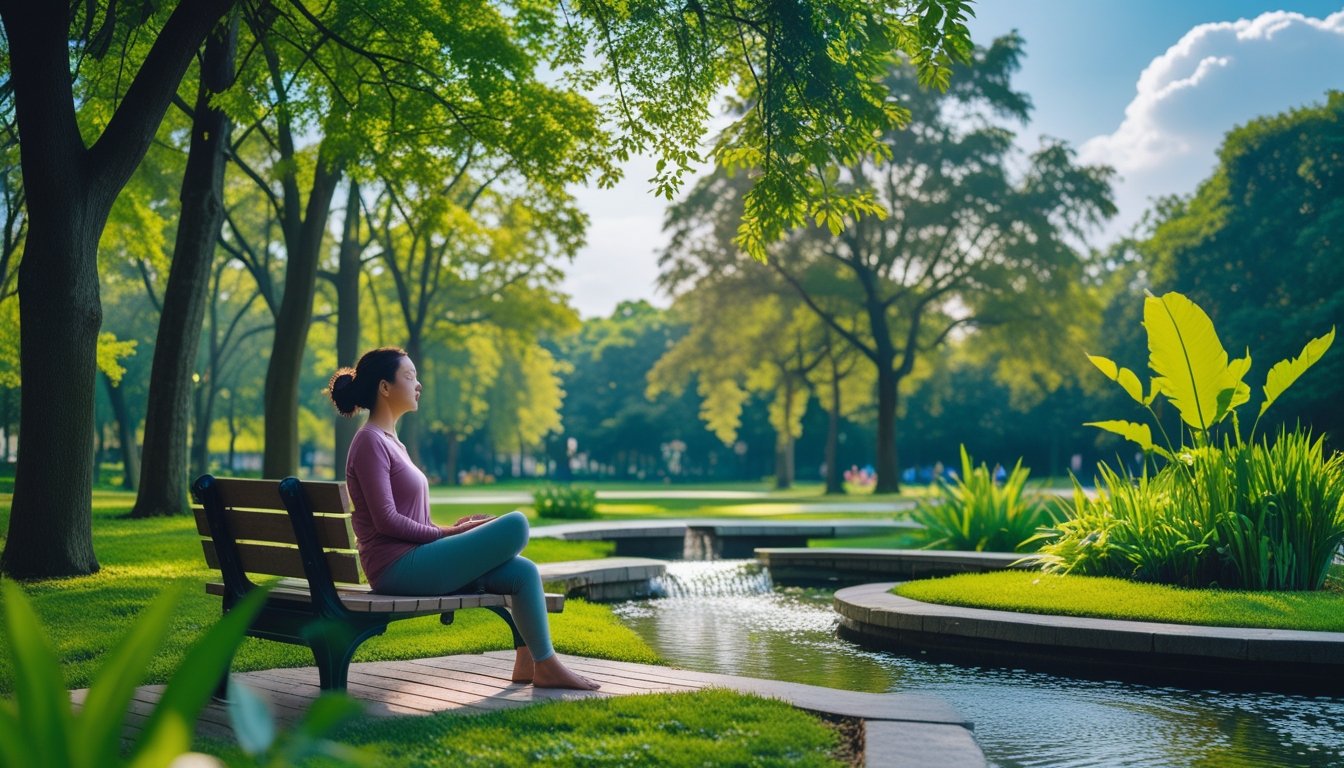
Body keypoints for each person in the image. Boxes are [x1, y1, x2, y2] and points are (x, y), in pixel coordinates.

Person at [328, 347, 598, 690]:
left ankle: (537, 664)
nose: (419, 384)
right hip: (395, 568)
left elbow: (411, 519)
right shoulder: (369, 442)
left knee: (523, 572)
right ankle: (544, 665)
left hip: (412, 561)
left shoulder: (390, 441)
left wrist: (455, 533)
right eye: (409, 377)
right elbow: (387, 522)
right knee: (516, 525)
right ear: (384, 387)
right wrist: (452, 533)